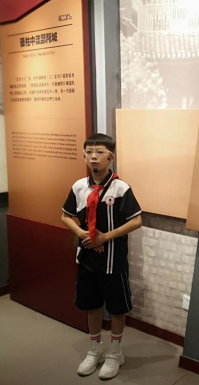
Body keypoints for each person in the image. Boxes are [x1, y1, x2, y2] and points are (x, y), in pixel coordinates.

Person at [61, 133, 142, 379]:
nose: (93, 156)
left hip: (114, 260)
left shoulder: (120, 188)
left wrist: (105, 237)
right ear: (84, 156)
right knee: (92, 305)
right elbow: (65, 216)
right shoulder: (79, 186)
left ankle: (115, 353)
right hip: (88, 260)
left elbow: (136, 221)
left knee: (117, 308)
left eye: (99, 152)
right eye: (89, 152)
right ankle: (95, 349)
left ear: (111, 157)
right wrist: (82, 233)